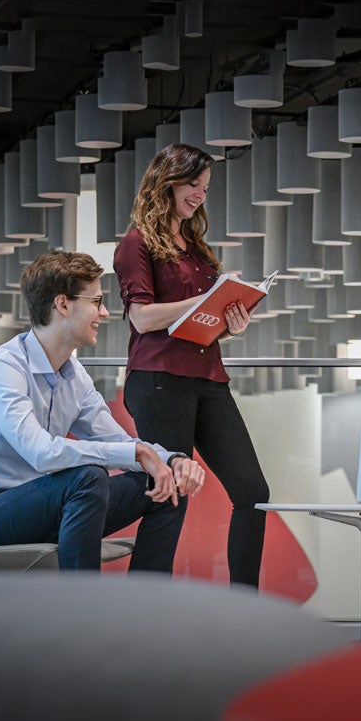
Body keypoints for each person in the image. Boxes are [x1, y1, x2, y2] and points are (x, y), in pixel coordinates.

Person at [0, 251, 205, 570]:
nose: (105, 312)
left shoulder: (73, 373)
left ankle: (144, 605)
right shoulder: (4, 369)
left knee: (166, 481)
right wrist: (136, 453)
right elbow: (40, 453)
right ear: (63, 305)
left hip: (41, 505)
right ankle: (82, 609)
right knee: (88, 476)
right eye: (96, 301)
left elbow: (117, 440)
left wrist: (171, 460)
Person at [114, 143, 269, 587]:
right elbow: (143, 318)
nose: (201, 194)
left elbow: (199, 322)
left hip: (208, 378)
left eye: (205, 188)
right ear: (168, 181)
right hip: (159, 379)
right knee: (168, 497)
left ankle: (244, 605)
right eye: (193, 184)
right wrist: (204, 299)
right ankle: (146, 609)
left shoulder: (197, 248)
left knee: (253, 492)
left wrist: (230, 322)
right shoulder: (136, 243)